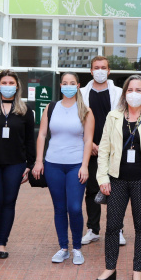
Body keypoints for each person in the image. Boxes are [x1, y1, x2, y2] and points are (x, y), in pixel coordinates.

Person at [92, 76, 141, 280]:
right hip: (116, 180)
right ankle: (110, 268)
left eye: (138, 90)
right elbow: (103, 150)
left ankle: (137, 273)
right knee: (113, 226)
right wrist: (102, 178)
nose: (134, 93)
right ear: (124, 94)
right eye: (130, 89)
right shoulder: (113, 117)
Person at [32, 72, 94, 266]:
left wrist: (84, 165)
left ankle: (77, 248)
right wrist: (39, 161)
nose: (68, 86)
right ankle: (63, 248)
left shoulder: (86, 111)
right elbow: (42, 135)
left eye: (72, 83)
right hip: (53, 164)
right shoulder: (51, 108)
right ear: (60, 86)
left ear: (78, 86)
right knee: (59, 208)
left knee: (74, 207)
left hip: (76, 164)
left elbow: (88, 140)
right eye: (65, 83)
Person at [0, 70, 35, 262]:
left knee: (8, 203)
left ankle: (2, 243)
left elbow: (30, 139)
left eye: (11, 82)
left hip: (15, 163)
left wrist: (30, 164)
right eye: (4, 82)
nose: (7, 85)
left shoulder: (25, 110)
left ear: (17, 86)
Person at [77, 56, 125, 247]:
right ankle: (93, 229)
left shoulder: (119, 93)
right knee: (92, 191)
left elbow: (123, 120)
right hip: (90, 149)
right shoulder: (81, 93)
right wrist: (91, 144)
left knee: (116, 191)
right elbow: (77, 121)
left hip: (114, 150)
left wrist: (107, 145)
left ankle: (117, 229)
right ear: (90, 71)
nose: (99, 70)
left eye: (103, 67)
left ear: (109, 71)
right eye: (96, 67)